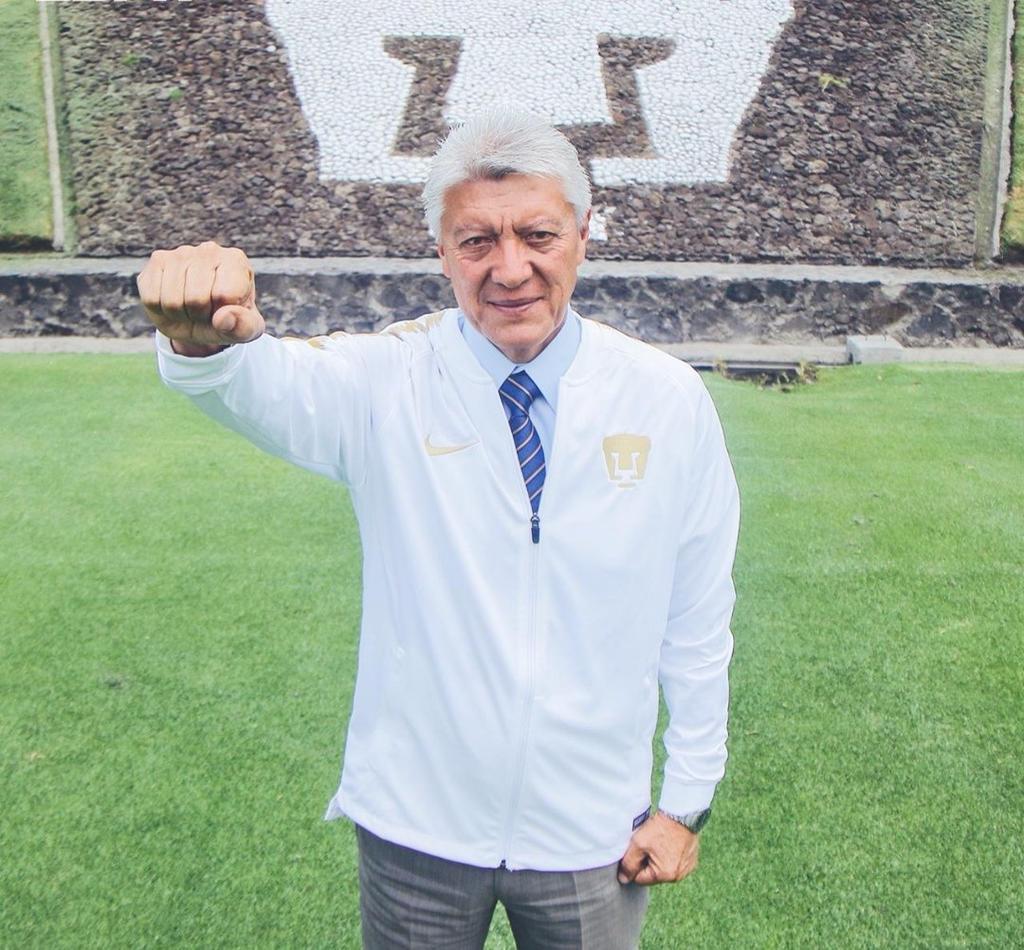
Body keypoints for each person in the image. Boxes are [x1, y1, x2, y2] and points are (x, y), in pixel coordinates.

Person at [139, 107, 740, 949]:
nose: (510, 269)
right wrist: (207, 346)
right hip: (416, 827)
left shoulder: (666, 397)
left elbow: (698, 614)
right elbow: (271, 384)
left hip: (591, 828)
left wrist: (685, 801)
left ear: (583, 235)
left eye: (537, 235)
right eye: (477, 241)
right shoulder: (388, 379)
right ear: (442, 252)